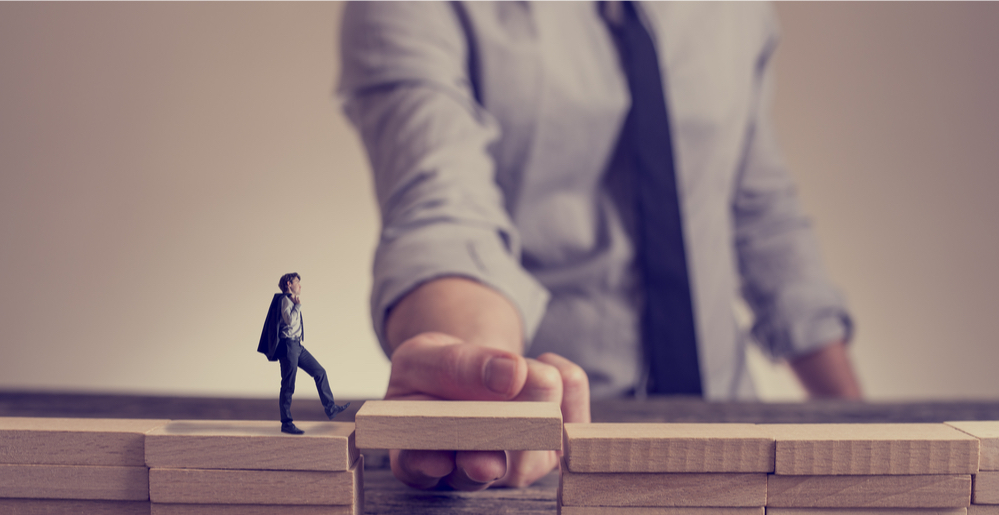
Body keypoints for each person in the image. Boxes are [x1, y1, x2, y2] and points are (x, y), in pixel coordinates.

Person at [337, 2, 862, 490]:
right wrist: (482, 383)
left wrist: (859, 431)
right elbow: (444, 210)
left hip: (729, 425)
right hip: (552, 457)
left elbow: (762, 215)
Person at [258, 273, 349, 434]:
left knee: (319, 372)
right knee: (288, 385)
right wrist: (298, 306)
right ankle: (286, 423)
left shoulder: (290, 300)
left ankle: (330, 408)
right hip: (288, 347)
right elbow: (290, 320)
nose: (300, 286)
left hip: (297, 346)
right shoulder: (285, 300)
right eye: (297, 282)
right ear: (289, 284)